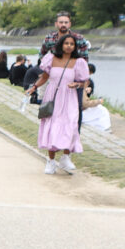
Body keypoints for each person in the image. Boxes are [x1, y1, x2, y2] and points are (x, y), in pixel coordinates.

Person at [29, 32, 89, 175]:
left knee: (71, 124)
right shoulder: (51, 59)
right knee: (53, 126)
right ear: (61, 45)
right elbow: (45, 77)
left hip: (69, 97)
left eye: (72, 44)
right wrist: (34, 87)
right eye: (66, 43)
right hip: (53, 96)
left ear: (75, 47)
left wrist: (77, 85)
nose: (69, 46)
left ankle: (66, 157)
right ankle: (50, 161)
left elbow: (84, 81)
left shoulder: (79, 62)